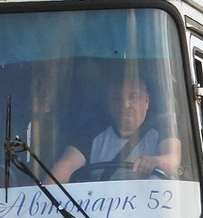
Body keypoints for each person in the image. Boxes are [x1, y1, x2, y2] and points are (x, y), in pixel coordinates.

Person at [49, 72, 181, 183]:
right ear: (108, 103)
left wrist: (158, 161)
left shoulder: (161, 125)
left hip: (152, 207)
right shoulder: (92, 130)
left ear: (146, 101)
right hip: (95, 210)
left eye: (133, 97)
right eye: (117, 98)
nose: (125, 104)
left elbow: (173, 159)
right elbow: (64, 167)